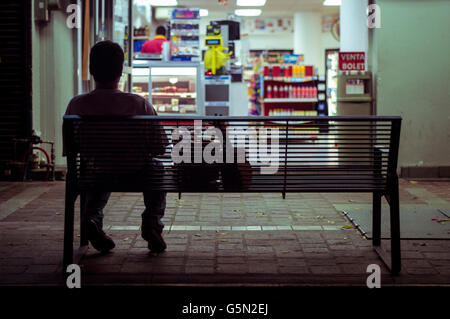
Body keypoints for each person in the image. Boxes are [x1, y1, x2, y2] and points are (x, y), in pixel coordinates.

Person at [63, 40, 169, 254]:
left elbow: (70, 148)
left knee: (96, 168)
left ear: (91, 70)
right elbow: (160, 147)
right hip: (136, 172)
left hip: (96, 173)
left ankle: (92, 217)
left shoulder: (76, 104)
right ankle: (151, 223)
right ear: (121, 70)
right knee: (158, 168)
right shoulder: (138, 103)